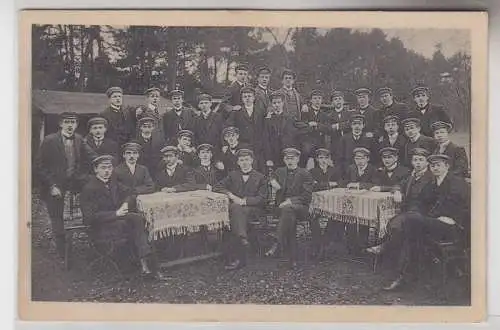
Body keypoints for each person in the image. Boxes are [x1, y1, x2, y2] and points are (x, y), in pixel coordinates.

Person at [381, 153, 470, 291]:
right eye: (433, 165)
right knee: (412, 230)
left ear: (447, 166)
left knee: (410, 226)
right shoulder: (432, 183)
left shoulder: (457, 182)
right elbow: (420, 202)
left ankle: (405, 276)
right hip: (434, 223)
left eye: (438, 165)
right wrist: (416, 212)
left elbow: (463, 206)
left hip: (453, 226)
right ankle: (411, 275)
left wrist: (452, 218)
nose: (435, 168)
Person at [79, 155, 166, 280]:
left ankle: (146, 264)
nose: (107, 171)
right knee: (133, 227)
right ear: (95, 170)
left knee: (140, 220)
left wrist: (125, 203)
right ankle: (146, 265)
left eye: (109, 167)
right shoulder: (89, 188)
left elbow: (130, 193)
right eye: (103, 168)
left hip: (118, 221)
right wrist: (115, 214)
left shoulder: (113, 184)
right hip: (100, 227)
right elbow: (89, 218)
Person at [365, 147, 433, 265]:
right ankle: (391, 255)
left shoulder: (431, 177)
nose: (417, 163)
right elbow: (399, 185)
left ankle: (387, 249)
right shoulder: (412, 176)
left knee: (396, 224)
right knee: (386, 220)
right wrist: (396, 191)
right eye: (415, 160)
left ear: (427, 162)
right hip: (408, 210)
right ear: (412, 162)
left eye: (421, 160)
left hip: (423, 212)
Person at [35, 112, 89, 257]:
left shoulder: (79, 139)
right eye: (67, 122)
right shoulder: (49, 140)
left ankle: (69, 248)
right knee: (57, 218)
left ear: (77, 124)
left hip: (72, 186)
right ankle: (63, 254)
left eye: (73, 122)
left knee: (72, 218)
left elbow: (89, 157)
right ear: (61, 124)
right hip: (54, 187)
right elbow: (40, 166)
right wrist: (52, 186)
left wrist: (106, 164)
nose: (70, 125)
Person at [214, 148, 268, 270]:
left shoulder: (260, 177)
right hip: (237, 211)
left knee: (235, 209)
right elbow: (217, 187)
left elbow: (262, 198)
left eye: (247, 160)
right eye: (242, 160)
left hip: (254, 211)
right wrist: (231, 195)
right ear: (238, 162)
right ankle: (242, 239)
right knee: (235, 208)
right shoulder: (233, 175)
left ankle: (241, 240)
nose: (244, 162)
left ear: (252, 161)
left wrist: (244, 201)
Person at [265, 148, 314, 267]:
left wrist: (290, 201)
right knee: (289, 217)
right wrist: (271, 180)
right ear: (284, 160)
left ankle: (277, 242)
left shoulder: (305, 173)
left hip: (301, 208)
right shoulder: (280, 171)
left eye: (292, 158)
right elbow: (267, 177)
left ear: (298, 159)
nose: (290, 161)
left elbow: (306, 197)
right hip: (283, 209)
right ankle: (293, 259)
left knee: (289, 210)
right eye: (287, 158)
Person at [308, 148, 344, 257]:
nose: (323, 160)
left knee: (337, 216)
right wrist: (328, 184)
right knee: (312, 217)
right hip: (317, 202)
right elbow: (312, 186)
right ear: (317, 159)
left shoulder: (335, 170)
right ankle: (317, 243)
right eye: (320, 158)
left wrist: (321, 184)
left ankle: (326, 242)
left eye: (326, 158)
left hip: (333, 201)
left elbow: (341, 183)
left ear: (329, 159)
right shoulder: (312, 171)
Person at [226, 86, 266, 169]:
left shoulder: (261, 111)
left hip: (258, 145)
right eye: (245, 97)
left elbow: (265, 128)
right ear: (242, 99)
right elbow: (228, 127)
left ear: (254, 98)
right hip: (242, 145)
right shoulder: (236, 112)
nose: (247, 98)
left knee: (258, 167)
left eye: (249, 96)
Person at [294, 89, 331, 168]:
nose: (317, 100)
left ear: (322, 100)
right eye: (315, 98)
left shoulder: (324, 115)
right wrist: (309, 125)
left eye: (319, 98)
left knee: (320, 164)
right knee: (303, 162)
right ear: (311, 100)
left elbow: (328, 128)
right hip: (307, 142)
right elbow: (299, 125)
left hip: (320, 143)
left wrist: (317, 124)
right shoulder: (305, 112)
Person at [263, 91, 297, 169]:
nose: (277, 105)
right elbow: (266, 139)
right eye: (274, 103)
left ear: (283, 103)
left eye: (279, 102)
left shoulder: (290, 118)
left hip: (287, 153)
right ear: (271, 104)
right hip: (274, 153)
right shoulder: (268, 120)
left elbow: (294, 136)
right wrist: (268, 158)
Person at [328, 90, 352, 158]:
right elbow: (328, 128)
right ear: (332, 102)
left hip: (348, 144)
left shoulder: (350, 114)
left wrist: (338, 126)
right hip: (335, 146)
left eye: (340, 99)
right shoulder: (329, 116)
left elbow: (351, 124)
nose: (338, 101)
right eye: (335, 99)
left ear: (343, 101)